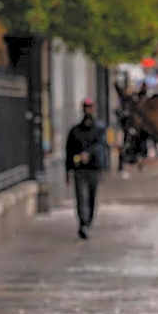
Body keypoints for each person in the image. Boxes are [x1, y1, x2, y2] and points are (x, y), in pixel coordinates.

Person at [65, 98, 107, 239]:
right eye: (86, 107)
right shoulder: (75, 130)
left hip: (94, 168)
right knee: (81, 197)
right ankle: (83, 223)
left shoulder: (99, 128)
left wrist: (88, 154)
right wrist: (68, 170)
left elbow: (101, 146)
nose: (88, 110)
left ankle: (88, 222)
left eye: (90, 107)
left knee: (91, 197)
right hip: (79, 170)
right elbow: (69, 151)